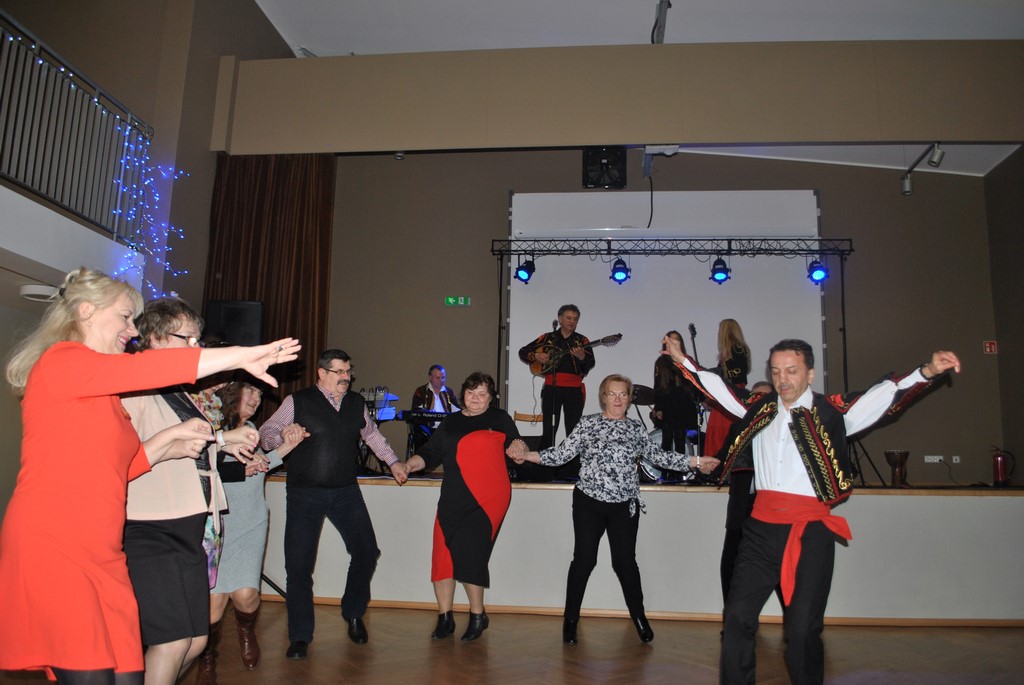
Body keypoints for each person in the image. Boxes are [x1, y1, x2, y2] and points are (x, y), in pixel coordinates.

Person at [0, 267, 299, 685]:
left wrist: (168, 443)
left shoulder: (103, 392)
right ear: (86, 311)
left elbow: (121, 465)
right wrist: (243, 355)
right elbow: (147, 369)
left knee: (130, 674)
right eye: (125, 317)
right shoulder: (62, 362)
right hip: (58, 543)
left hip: (104, 551)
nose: (131, 330)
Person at [665, 336, 961, 685]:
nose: (783, 379)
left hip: (810, 531)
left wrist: (927, 371)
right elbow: (718, 387)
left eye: (791, 370)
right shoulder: (759, 408)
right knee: (737, 618)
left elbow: (885, 395)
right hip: (760, 529)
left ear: (810, 374)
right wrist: (682, 360)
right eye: (776, 371)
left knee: (803, 629)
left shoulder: (833, 413)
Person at [509, 374, 720, 645]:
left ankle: (640, 618)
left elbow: (660, 457)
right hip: (589, 503)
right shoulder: (588, 424)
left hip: (624, 506)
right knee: (584, 561)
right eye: (612, 394)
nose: (618, 399)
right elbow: (561, 454)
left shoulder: (635, 429)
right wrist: (527, 455)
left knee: (625, 563)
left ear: (629, 399)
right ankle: (570, 621)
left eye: (623, 394)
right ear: (604, 397)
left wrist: (697, 461)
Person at [121, 298, 265, 685]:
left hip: (192, 522)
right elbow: (124, 454)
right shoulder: (134, 385)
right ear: (154, 337)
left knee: (197, 640)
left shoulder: (180, 391)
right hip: (152, 524)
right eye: (186, 338)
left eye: (197, 339)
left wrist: (225, 441)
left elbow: (192, 444)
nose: (195, 347)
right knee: (171, 641)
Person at [258, 349, 409, 661]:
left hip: (344, 491)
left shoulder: (355, 403)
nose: (346, 377)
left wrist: (393, 462)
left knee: (367, 551)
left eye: (348, 371)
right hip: (304, 493)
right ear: (322, 373)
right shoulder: (297, 401)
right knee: (298, 566)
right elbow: (266, 433)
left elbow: (372, 435)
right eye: (339, 371)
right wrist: (283, 433)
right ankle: (300, 636)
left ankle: (353, 612)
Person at [195, 380, 308, 684]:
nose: (257, 399)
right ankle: (208, 659)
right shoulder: (210, 429)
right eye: (251, 391)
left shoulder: (252, 430)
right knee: (213, 607)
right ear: (232, 393)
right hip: (217, 526)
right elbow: (202, 468)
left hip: (251, 522)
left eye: (260, 394)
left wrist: (288, 446)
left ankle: (246, 630)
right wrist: (240, 469)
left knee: (246, 596)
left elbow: (259, 467)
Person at [405, 372, 524, 641]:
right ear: (463, 395)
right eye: (471, 393)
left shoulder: (499, 419)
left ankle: (477, 615)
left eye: (482, 394)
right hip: (453, 495)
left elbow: (516, 442)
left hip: (488, 499)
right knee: (442, 555)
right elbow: (430, 453)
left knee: (472, 553)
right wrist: (409, 465)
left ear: (491, 398)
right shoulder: (451, 422)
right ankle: (445, 618)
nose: (476, 398)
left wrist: (519, 448)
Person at [518, 304, 595, 478]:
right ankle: (544, 470)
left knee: (574, 431)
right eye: (568, 318)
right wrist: (536, 356)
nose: (572, 322)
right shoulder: (548, 338)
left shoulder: (582, 341)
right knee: (549, 429)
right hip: (552, 388)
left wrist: (582, 357)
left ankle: (572, 470)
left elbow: (590, 363)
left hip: (573, 390)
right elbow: (523, 351)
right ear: (560, 319)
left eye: (575, 319)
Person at [718, 380, 771, 604]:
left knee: (775, 564)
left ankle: (793, 619)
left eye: (765, 398)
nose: (759, 402)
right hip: (741, 503)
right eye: (755, 397)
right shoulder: (739, 426)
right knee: (731, 561)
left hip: (770, 507)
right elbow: (723, 457)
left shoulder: (783, 428)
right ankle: (731, 613)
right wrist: (702, 464)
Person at [703, 319, 751, 456]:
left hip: (729, 394)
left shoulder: (734, 350)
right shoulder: (740, 349)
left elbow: (727, 379)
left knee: (720, 431)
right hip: (732, 394)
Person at [653, 330, 700, 459]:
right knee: (667, 440)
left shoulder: (686, 360)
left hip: (684, 404)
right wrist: (659, 408)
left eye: (676, 340)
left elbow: (695, 383)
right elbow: (658, 386)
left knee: (681, 440)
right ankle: (666, 468)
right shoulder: (661, 362)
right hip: (668, 404)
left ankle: (680, 468)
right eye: (671, 340)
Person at [408, 364, 460, 455]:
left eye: (443, 378)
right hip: (426, 428)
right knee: (420, 437)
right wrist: (427, 413)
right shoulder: (421, 391)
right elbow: (416, 410)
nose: (441, 380)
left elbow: (457, 409)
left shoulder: (449, 392)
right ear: (430, 377)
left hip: (445, 428)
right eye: (438, 378)